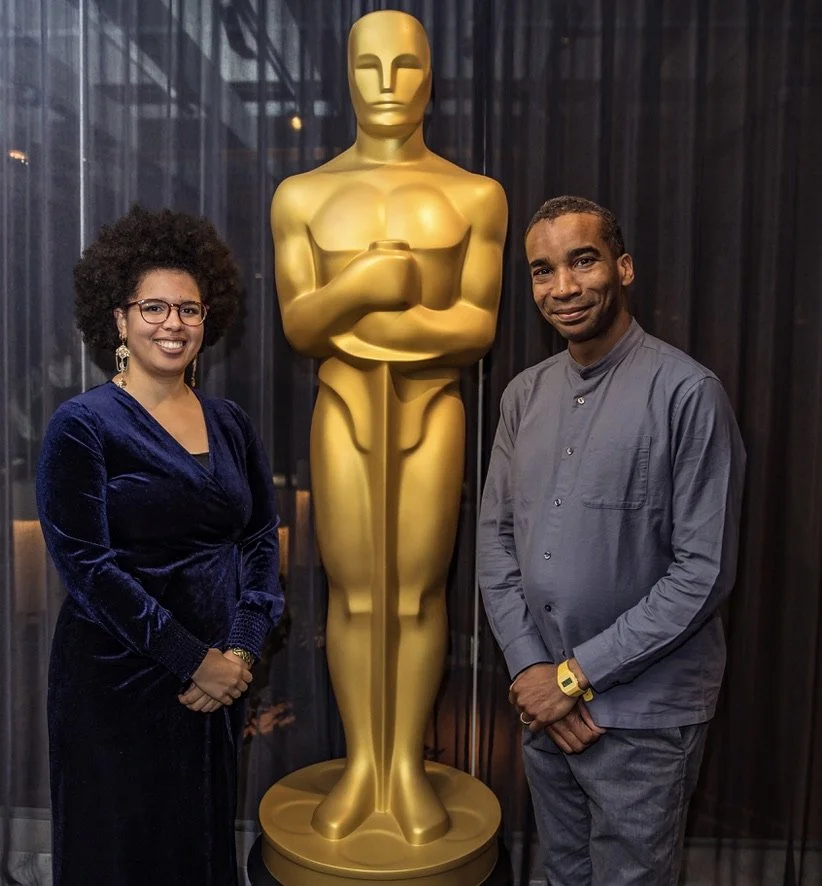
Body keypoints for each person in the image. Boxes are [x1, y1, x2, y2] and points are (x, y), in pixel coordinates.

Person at [270, 10, 507, 845]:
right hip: (342, 409)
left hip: (432, 408)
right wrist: (365, 286)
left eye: (404, 66)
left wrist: (367, 324)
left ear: (430, 77)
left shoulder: (474, 195)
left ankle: (403, 764)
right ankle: (362, 763)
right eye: (368, 66)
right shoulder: (302, 195)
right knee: (354, 593)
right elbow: (300, 324)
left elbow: (476, 326)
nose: (385, 84)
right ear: (346, 75)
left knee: (416, 593)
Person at [478, 196, 745, 885]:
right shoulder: (523, 396)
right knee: (563, 874)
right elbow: (496, 541)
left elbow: (703, 573)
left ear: (623, 268)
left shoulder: (688, 393)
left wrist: (574, 678)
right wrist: (533, 672)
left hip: (642, 719)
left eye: (583, 261)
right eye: (543, 270)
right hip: (545, 707)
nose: (563, 287)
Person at [36, 205, 283, 886]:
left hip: (217, 684)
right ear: (120, 319)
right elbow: (89, 569)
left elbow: (260, 540)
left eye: (189, 309)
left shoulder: (230, 423)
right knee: (121, 853)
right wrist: (193, 659)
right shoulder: (82, 425)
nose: (173, 323)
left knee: (196, 848)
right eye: (153, 307)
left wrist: (239, 652)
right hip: (117, 680)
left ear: (207, 320)